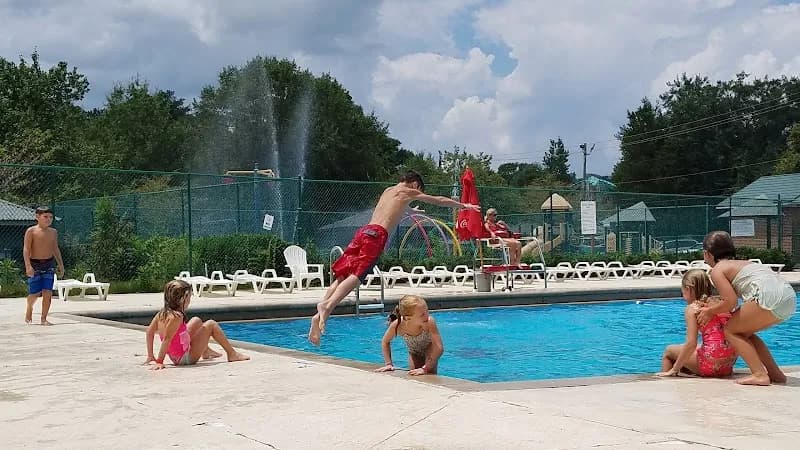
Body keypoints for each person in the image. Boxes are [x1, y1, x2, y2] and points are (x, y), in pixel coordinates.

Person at [308, 170, 480, 345]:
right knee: (357, 276)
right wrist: (464, 206)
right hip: (376, 235)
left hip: (363, 232)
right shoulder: (409, 191)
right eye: (418, 190)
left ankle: (319, 315)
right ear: (415, 184)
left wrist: (411, 209)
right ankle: (326, 307)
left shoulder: (388, 191)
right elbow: (439, 200)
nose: (417, 193)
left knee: (343, 274)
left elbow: (391, 207)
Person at [696, 231, 796, 386]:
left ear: (707, 254)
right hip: (789, 298)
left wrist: (709, 311)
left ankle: (759, 374)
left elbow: (731, 302)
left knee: (730, 330)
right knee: (745, 333)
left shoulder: (717, 270)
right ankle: (775, 374)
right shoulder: (745, 263)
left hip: (769, 297)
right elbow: (731, 300)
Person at [144, 280, 249, 369]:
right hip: (184, 358)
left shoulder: (162, 313)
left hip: (178, 352)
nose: (190, 300)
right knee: (211, 324)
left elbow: (149, 332)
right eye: (189, 297)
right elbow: (167, 339)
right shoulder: (176, 317)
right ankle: (232, 354)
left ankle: (206, 351)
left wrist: (150, 355)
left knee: (196, 320)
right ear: (182, 299)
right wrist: (159, 361)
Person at [657, 269, 737, 378]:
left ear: (688, 289)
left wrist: (674, 369)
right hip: (728, 365)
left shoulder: (693, 309)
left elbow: (691, 343)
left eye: (683, 290)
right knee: (691, 349)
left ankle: (668, 379)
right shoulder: (722, 304)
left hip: (710, 365)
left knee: (669, 351)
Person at [375, 295, 443, 375]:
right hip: (414, 352)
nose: (427, 315)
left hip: (430, 351)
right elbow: (385, 342)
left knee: (430, 374)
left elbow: (439, 348)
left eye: (427, 311)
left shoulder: (429, 322)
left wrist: (426, 368)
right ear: (408, 318)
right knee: (414, 374)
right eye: (422, 314)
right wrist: (388, 364)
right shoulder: (397, 325)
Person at [23, 206, 64, 325]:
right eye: (45, 217)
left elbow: (55, 249)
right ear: (37, 217)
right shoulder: (31, 231)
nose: (48, 219)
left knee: (48, 292)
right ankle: (29, 307)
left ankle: (43, 318)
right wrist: (28, 266)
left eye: (51, 217)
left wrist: (60, 264)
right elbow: (26, 249)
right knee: (34, 293)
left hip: (49, 264)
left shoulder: (53, 232)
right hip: (35, 264)